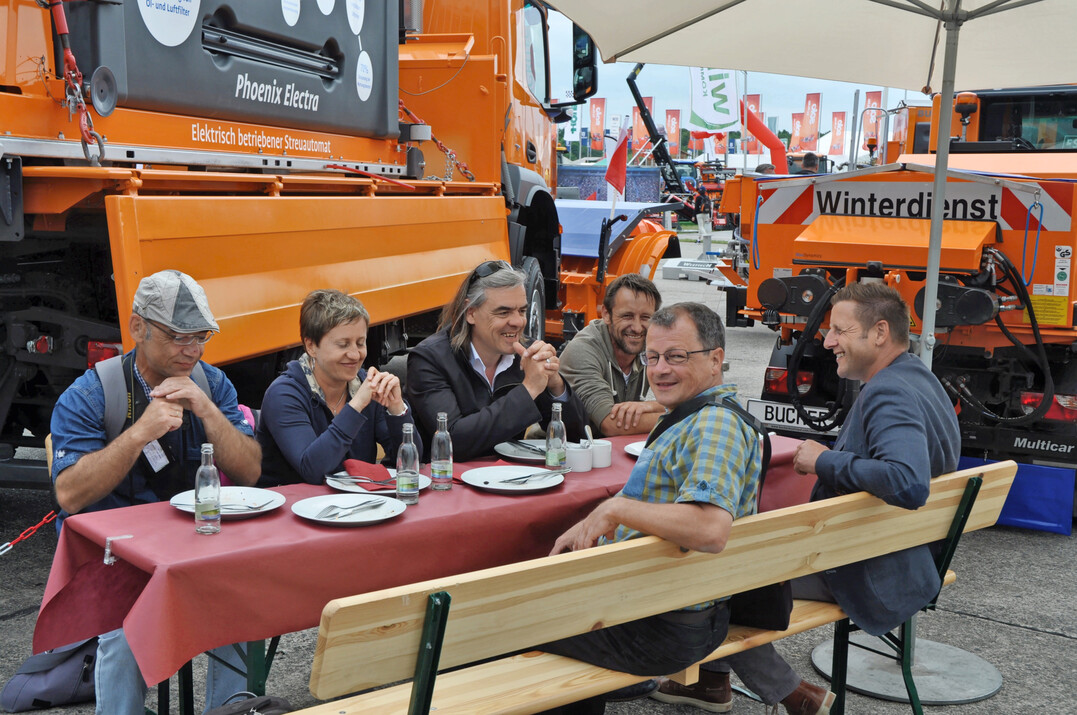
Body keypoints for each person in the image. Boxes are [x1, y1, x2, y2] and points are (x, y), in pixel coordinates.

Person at [654, 283, 960, 714]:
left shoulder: (890, 392)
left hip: (873, 569)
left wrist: (825, 461)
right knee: (730, 558)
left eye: (840, 330)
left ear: (879, 333)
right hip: (904, 558)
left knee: (708, 576)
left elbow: (908, 481)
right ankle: (711, 682)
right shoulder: (918, 377)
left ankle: (790, 693)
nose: (827, 340)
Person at [50, 269, 262, 715]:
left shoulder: (210, 383)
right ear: (138, 327)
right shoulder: (93, 393)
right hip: (116, 558)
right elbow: (68, 495)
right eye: (177, 336)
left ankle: (229, 709)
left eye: (201, 336)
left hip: (189, 546)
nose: (193, 349)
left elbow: (250, 471)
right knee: (125, 634)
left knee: (243, 608)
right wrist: (138, 434)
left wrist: (208, 412)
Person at [538, 302, 763, 714]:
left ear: (716, 360)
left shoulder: (715, 423)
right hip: (667, 607)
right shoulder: (699, 413)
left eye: (676, 357)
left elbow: (710, 529)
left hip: (664, 626)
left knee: (514, 627)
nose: (660, 369)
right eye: (653, 357)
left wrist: (617, 509)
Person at [406, 260, 586, 460]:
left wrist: (555, 385)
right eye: (503, 312)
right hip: (443, 483)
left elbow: (578, 438)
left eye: (522, 311)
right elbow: (453, 441)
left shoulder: (527, 354)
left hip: (512, 480)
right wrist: (528, 390)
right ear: (471, 313)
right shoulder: (430, 358)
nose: (518, 322)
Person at [258, 289, 417, 486]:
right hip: (291, 510)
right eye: (343, 345)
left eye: (360, 343)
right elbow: (313, 471)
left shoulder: (366, 384)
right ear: (311, 346)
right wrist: (356, 405)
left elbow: (411, 464)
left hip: (357, 507)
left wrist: (397, 410)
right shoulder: (283, 394)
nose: (354, 354)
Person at [559, 274, 665, 436]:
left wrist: (651, 406)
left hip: (608, 449)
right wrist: (679, 416)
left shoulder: (653, 346)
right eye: (627, 316)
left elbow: (688, 396)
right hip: (558, 452)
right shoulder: (582, 350)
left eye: (645, 317)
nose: (637, 327)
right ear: (606, 314)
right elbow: (612, 423)